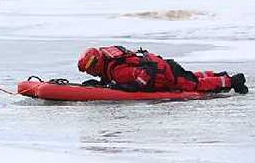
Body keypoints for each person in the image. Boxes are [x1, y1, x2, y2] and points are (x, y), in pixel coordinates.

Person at [77, 46, 248, 94]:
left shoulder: (117, 71)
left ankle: (232, 81)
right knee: (189, 77)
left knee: (193, 85)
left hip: (162, 73)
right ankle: (217, 75)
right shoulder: (111, 64)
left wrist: (128, 88)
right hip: (161, 66)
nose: (91, 72)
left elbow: (140, 78)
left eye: (90, 68)